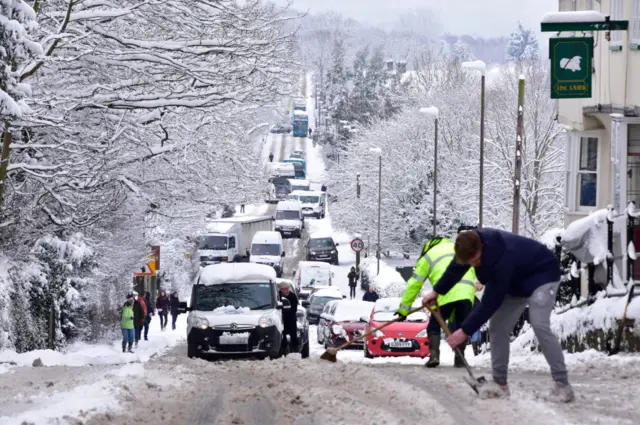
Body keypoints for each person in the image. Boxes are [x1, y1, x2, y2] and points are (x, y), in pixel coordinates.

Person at [421, 228, 574, 403]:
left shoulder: (501, 258)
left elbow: (490, 303)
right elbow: (455, 269)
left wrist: (464, 331)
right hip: (515, 282)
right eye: (470, 262)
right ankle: (500, 384)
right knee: (498, 328)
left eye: (477, 260)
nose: (474, 264)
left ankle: (563, 385)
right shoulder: (469, 245)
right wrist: (436, 292)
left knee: (539, 324)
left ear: (482, 247)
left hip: (542, 275)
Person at [395, 236, 477, 368]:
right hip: (467, 292)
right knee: (462, 326)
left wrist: (403, 310)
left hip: (445, 291)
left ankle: (434, 356)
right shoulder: (457, 249)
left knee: (434, 324)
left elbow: (414, 284)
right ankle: (460, 358)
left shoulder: (428, 255)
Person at [278, 282, 299, 353]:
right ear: (281, 290)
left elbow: (294, 309)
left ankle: (295, 350)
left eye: (288, 289)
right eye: (285, 289)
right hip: (281, 319)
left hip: (291, 319)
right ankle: (283, 350)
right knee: (282, 335)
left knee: (293, 335)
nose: (287, 290)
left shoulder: (293, 296)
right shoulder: (278, 296)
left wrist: (287, 312)